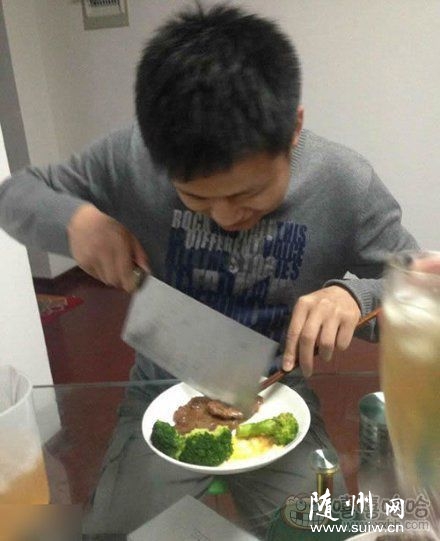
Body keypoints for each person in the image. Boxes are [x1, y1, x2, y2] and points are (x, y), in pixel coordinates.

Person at [0, 3, 418, 537]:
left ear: (293, 129)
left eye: (248, 194)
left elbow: (418, 293)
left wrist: (357, 297)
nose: (224, 216)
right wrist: (76, 221)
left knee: (327, 533)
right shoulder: (133, 157)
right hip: (160, 387)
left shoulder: (344, 183)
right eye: (195, 198)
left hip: (278, 389)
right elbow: (16, 194)